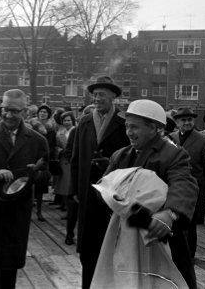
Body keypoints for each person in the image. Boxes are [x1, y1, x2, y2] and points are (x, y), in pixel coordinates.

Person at [103, 99, 198, 288]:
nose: (129, 132)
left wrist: (170, 214)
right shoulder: (120, 155)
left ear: (153, 128)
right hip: (127, 240)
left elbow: (184, 184)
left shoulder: (174, 154)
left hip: (161, 238)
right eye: (127, 126)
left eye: (135, 127)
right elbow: (104, 185)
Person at [0, 89, 49, 289]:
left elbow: (46, 174)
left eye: (14, 111)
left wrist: (34, 175)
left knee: (10, 264)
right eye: (5, 109)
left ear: (25, 112)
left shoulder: (38, 140)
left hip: (17, 211)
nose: (8, 115)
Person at [70, 76, 129, 289]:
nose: (97, 98)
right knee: (88, 247)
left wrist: (110, 164)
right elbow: (75, 159)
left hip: (113, 194)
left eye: (102, 95)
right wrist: (74, 190)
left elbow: (129, 160)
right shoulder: (84, 123)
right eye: (95, 95)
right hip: (87, 192)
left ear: (113, 96)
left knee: (112, 243)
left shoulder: (123, 125)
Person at [171, 107, 205, 259]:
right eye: (183, 120)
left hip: (194, 190)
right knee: (173, 222)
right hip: (173, 188)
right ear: (176, 122)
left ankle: (189, 256)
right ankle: (174, 254)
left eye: (190, 119)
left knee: (190, 225)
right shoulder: (170, 138)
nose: (187, 122)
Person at [54, 111, 77, 245]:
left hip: (74, 165)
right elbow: (58, 147)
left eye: (69, 120)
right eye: (65, 121)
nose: (67, 122)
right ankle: (67, 210)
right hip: (65, 161)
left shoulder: (76, 131)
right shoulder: (61, 133)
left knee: (70, 189)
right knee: (67, 189)